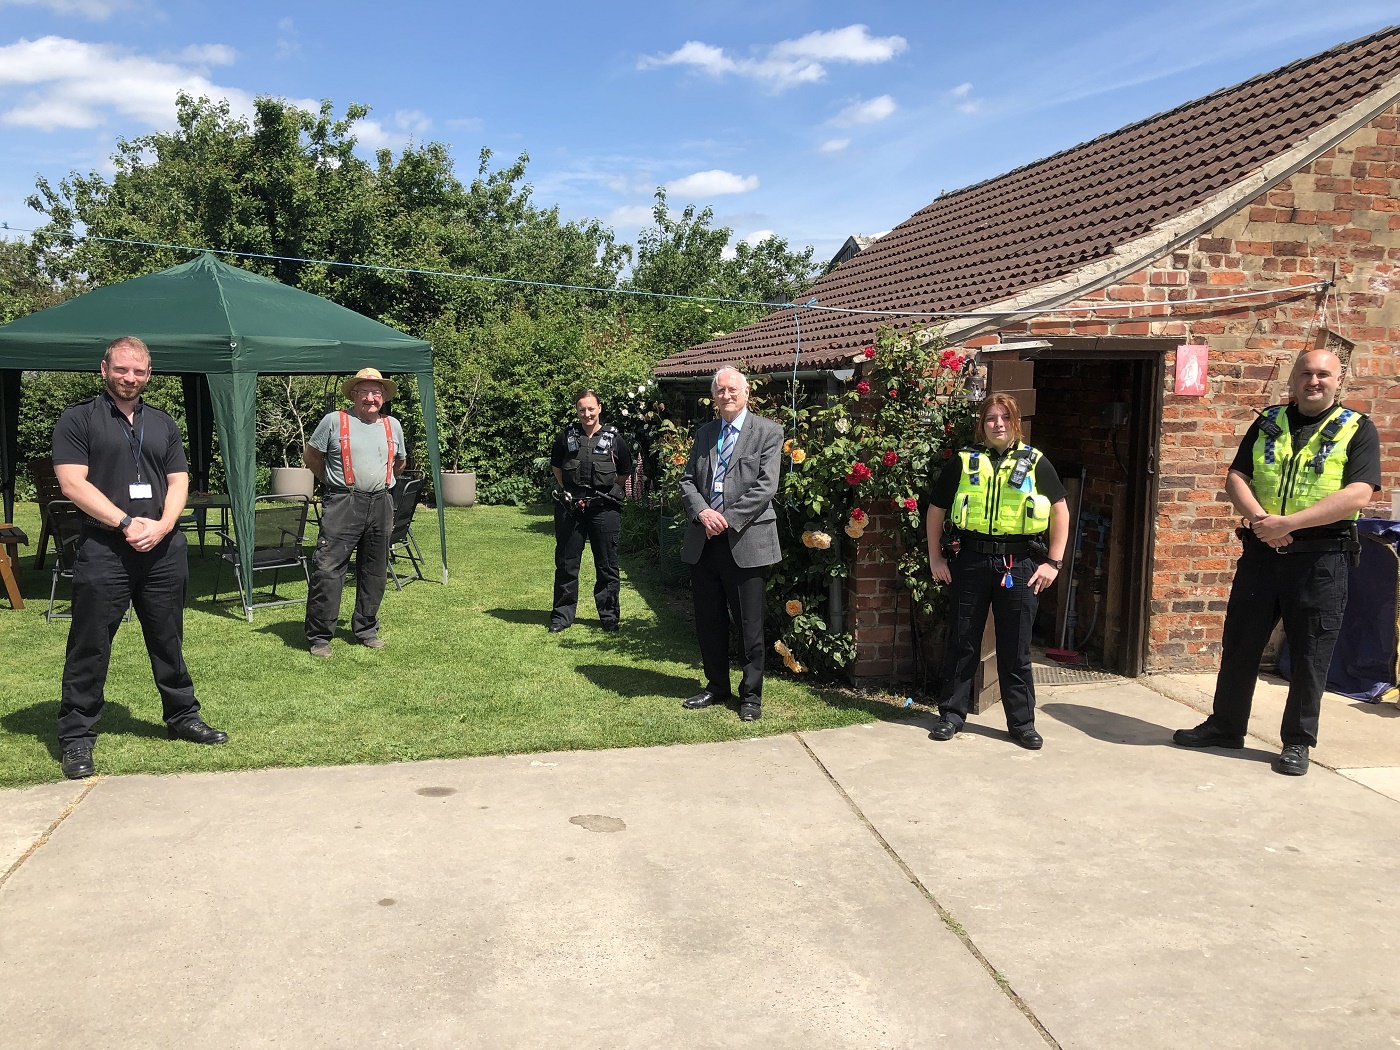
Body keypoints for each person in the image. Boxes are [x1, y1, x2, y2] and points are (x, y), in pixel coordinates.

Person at [1174, 349, 1380, 776]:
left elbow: (1359, 494)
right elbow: (1237, 476)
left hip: (1321, 558)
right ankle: (1226, 726)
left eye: (1324, 374)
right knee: (1240, 644)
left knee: (1311, 654)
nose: (1314, 381)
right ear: (1293, 380)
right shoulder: (1269, 421)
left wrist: (1290, 522)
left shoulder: (1357, 428)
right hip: (1262, 554)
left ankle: (1297, 742)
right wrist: (1260, 521)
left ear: (1340, 380)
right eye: (1306, 373)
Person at [52, 336, 228, 780]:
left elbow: (179, 480)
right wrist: (126, 523)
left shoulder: (164, 423)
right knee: (90, 643)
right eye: (122, 369)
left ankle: (182, 716)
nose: (130, 378)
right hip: (105, 546)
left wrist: (165, 526)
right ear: (104, 369)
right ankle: (76, 736)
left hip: (162, 547)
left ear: (149, 374)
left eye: (139, 371)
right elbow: (73, 485)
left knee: (168, 637)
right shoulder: (78, 419)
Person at [925, 394, 1069, 750]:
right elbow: (935, 510)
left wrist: (1053, 562)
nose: (998, 424)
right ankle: (951, 715)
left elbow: (1060, 510)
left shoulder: (1035, 462)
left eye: (1005, 417)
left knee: (1016, 647)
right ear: (982, 424)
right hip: (970, 561)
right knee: (962, 641)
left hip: (1019, 565)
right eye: (991, 418)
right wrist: (935, 559)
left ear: (1016, 422)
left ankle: (1022, 723)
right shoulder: (963, 461)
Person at [677, 366, 784, 722]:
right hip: (705, 541)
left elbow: (766, 487)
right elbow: (688, 480)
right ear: (714, 396)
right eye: (720, 390)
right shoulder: (705, 433)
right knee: (709, 620)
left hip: (746, 540)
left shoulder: (768, 432)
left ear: (747, 392)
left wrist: (727, 519)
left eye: (732, 389)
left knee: (749, 624)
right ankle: (716, 686)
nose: (727, 395)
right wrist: (703, 513)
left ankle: (751, 696)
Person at [303, 367, 406, 658]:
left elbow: (399, 462)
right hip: (343, 501)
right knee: (328, 568)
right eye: (364, 392)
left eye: (376, 392)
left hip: (381, 502)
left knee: (375, 569)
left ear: (384, 397)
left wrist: (382, 481)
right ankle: (320, 636)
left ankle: (366, 629)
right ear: (354, 395)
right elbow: (311, 455)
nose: (371, 398)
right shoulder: (334, 421)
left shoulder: (392, 425)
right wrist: (334, 483)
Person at [548, 388, 634, 633]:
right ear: (577, 411)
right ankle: (561, 617)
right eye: (581, 409)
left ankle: (609, 618)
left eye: (591, 408)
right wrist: (570, 491)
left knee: (607, 565)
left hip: (603, 510)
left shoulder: (615, 439)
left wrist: (604, 494)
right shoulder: (566, 437)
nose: (587, 413)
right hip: (570, 508)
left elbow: (624, 472)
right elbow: (557, 467)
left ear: (600, 408)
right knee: (566, 564)